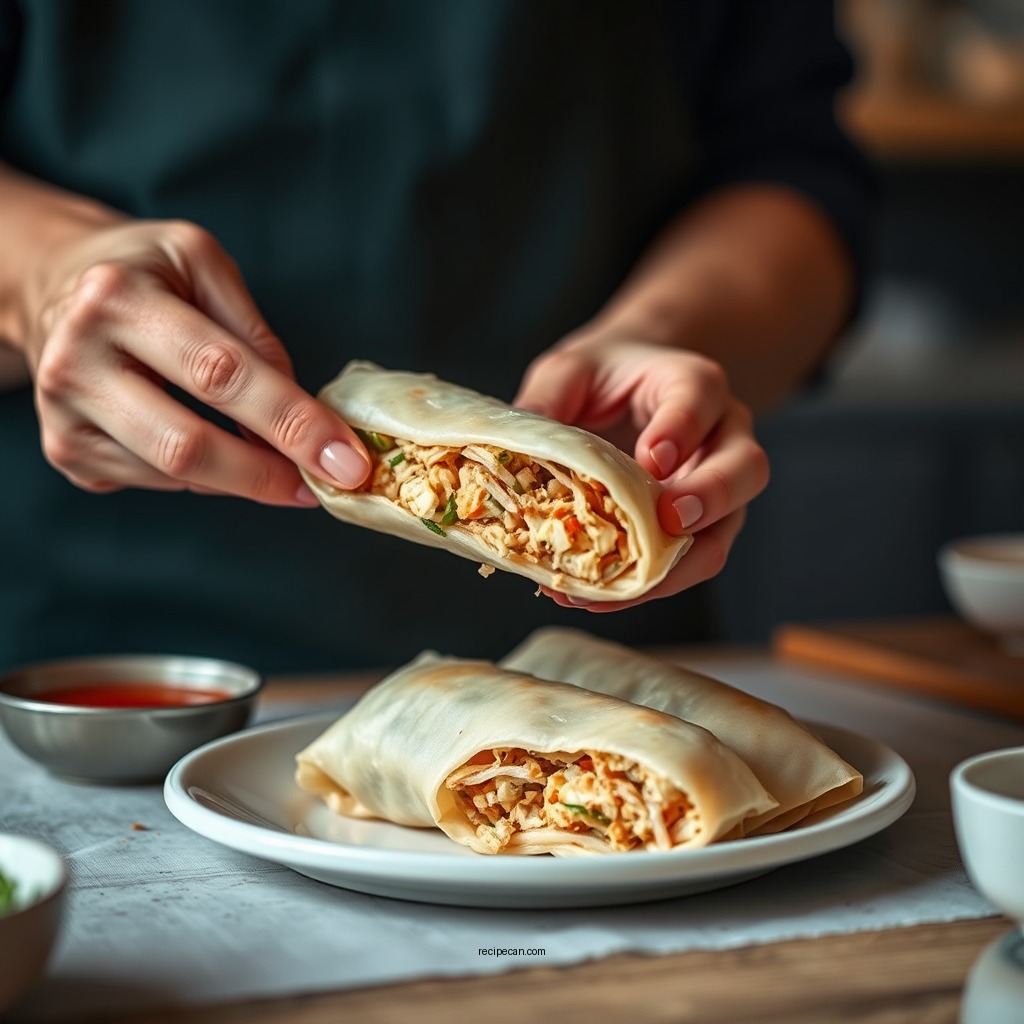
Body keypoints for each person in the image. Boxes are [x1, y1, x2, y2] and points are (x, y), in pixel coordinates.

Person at [0, 1, 872, 673]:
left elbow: (785, 160)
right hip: (95, 667)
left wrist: (667, 334)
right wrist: (42, 278)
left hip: (595, 662)